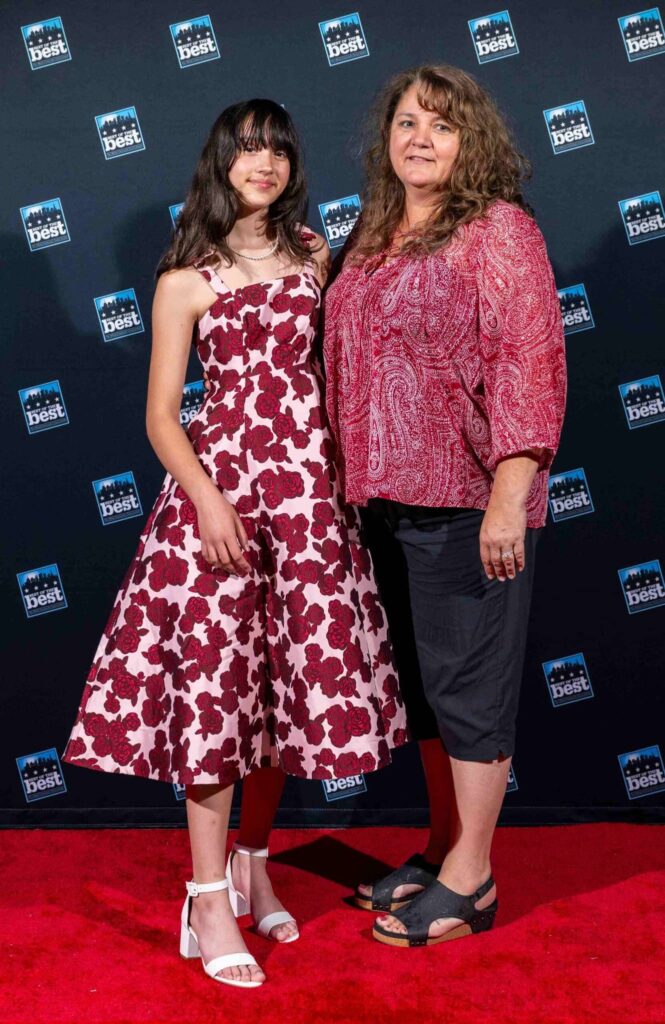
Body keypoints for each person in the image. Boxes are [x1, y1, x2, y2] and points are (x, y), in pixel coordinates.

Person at [63, 98, 407, 986]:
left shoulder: (314, 257)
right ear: (219, 162)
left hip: (306, 501)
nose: (263, 164)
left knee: (282, 691)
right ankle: (206, 895)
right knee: (219, 695)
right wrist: (209, 501)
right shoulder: (185, 279)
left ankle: (256, 867)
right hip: (217, 506)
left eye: (277, 152)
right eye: (247, 150)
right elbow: (159, 417)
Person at [322, 65, 566, 948]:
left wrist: (510, 495)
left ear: (472, 142)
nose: (420, 137)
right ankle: (440, 848)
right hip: (379, 504)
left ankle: (474, 879)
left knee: (468, 689)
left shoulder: (497, 231)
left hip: (467, 501)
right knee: (425, 693)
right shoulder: (372, 234)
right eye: (407, 122)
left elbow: (528, 362)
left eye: (442, 125)